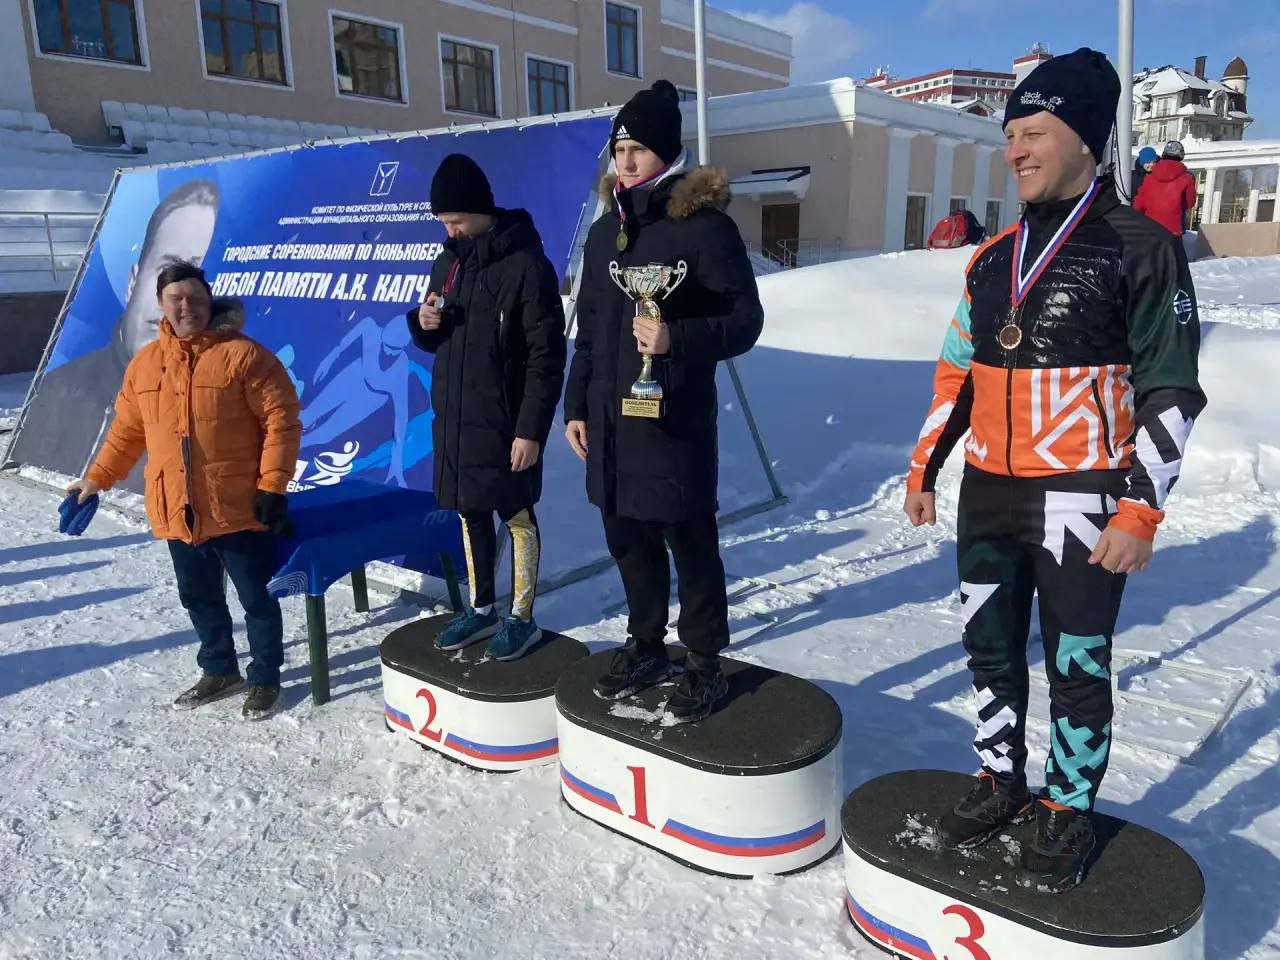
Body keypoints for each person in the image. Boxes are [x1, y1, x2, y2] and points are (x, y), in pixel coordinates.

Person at [902, 49, 1205, 891]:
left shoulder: (1143, 247)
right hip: (989, 494)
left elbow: (1172, 388)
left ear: (1083, 139)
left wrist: (1141, 510)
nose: (1016, 150)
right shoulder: (991, 257)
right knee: (988, 650)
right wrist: (926, 466)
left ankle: (1068, 806)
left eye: (1033, 132)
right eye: (1010, 136)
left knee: (1076, 663)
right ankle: (1002, 778)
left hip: (1082, 496)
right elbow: (957, 370)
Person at [564, 80, 764, 723]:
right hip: (611, 419)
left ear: (667, 155)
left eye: (639, 149)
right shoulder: (605, 238)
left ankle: (704, 660)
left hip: (672, 419)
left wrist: (678, 338)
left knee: (689, 539)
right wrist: (575, 405)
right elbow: (589, 327)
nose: (624, 161)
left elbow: (745, 320)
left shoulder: (705, 230)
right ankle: (646, 642)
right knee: (627, 538)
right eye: (619, 148)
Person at [66, 262, 301, 721]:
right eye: (176, 298)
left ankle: (265, 678)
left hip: (237, 505)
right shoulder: (146, 364)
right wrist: (95, 479)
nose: (186, 306)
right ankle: (220, 670)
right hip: (178, 508)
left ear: (209, 300)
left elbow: (282, 422)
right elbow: (127, 432)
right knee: (199, 597)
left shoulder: (246, 356)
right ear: (162, 305)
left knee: (256, 598)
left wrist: (272, 485)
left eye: (194, 296)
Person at [406, 154, 567, 661]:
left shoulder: (526, 266)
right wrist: (422, 323)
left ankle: (522, 618)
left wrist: (530, 430)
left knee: (516, 515)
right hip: (455, 418)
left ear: (480, 209)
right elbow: (439, 336)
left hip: (505, 422)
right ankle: (481, 609)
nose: (449, 231)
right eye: (443, 223)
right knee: (468, 511)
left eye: (455, 220)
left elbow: (547, 355)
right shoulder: (448, 262)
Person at [12, 179, 220, 485]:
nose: (177, 298)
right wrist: (95, 482)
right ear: (132, 281)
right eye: (167, 272)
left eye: (194, 279)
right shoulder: (58, 390)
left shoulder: (224, 381)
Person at [1135, 140, 1198, 237]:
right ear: (1181, 156)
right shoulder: (1187, 178)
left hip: (1150, 227)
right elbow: (1190, 203)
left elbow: (1139, 203)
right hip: (1173, 229)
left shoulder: (1149, 177)